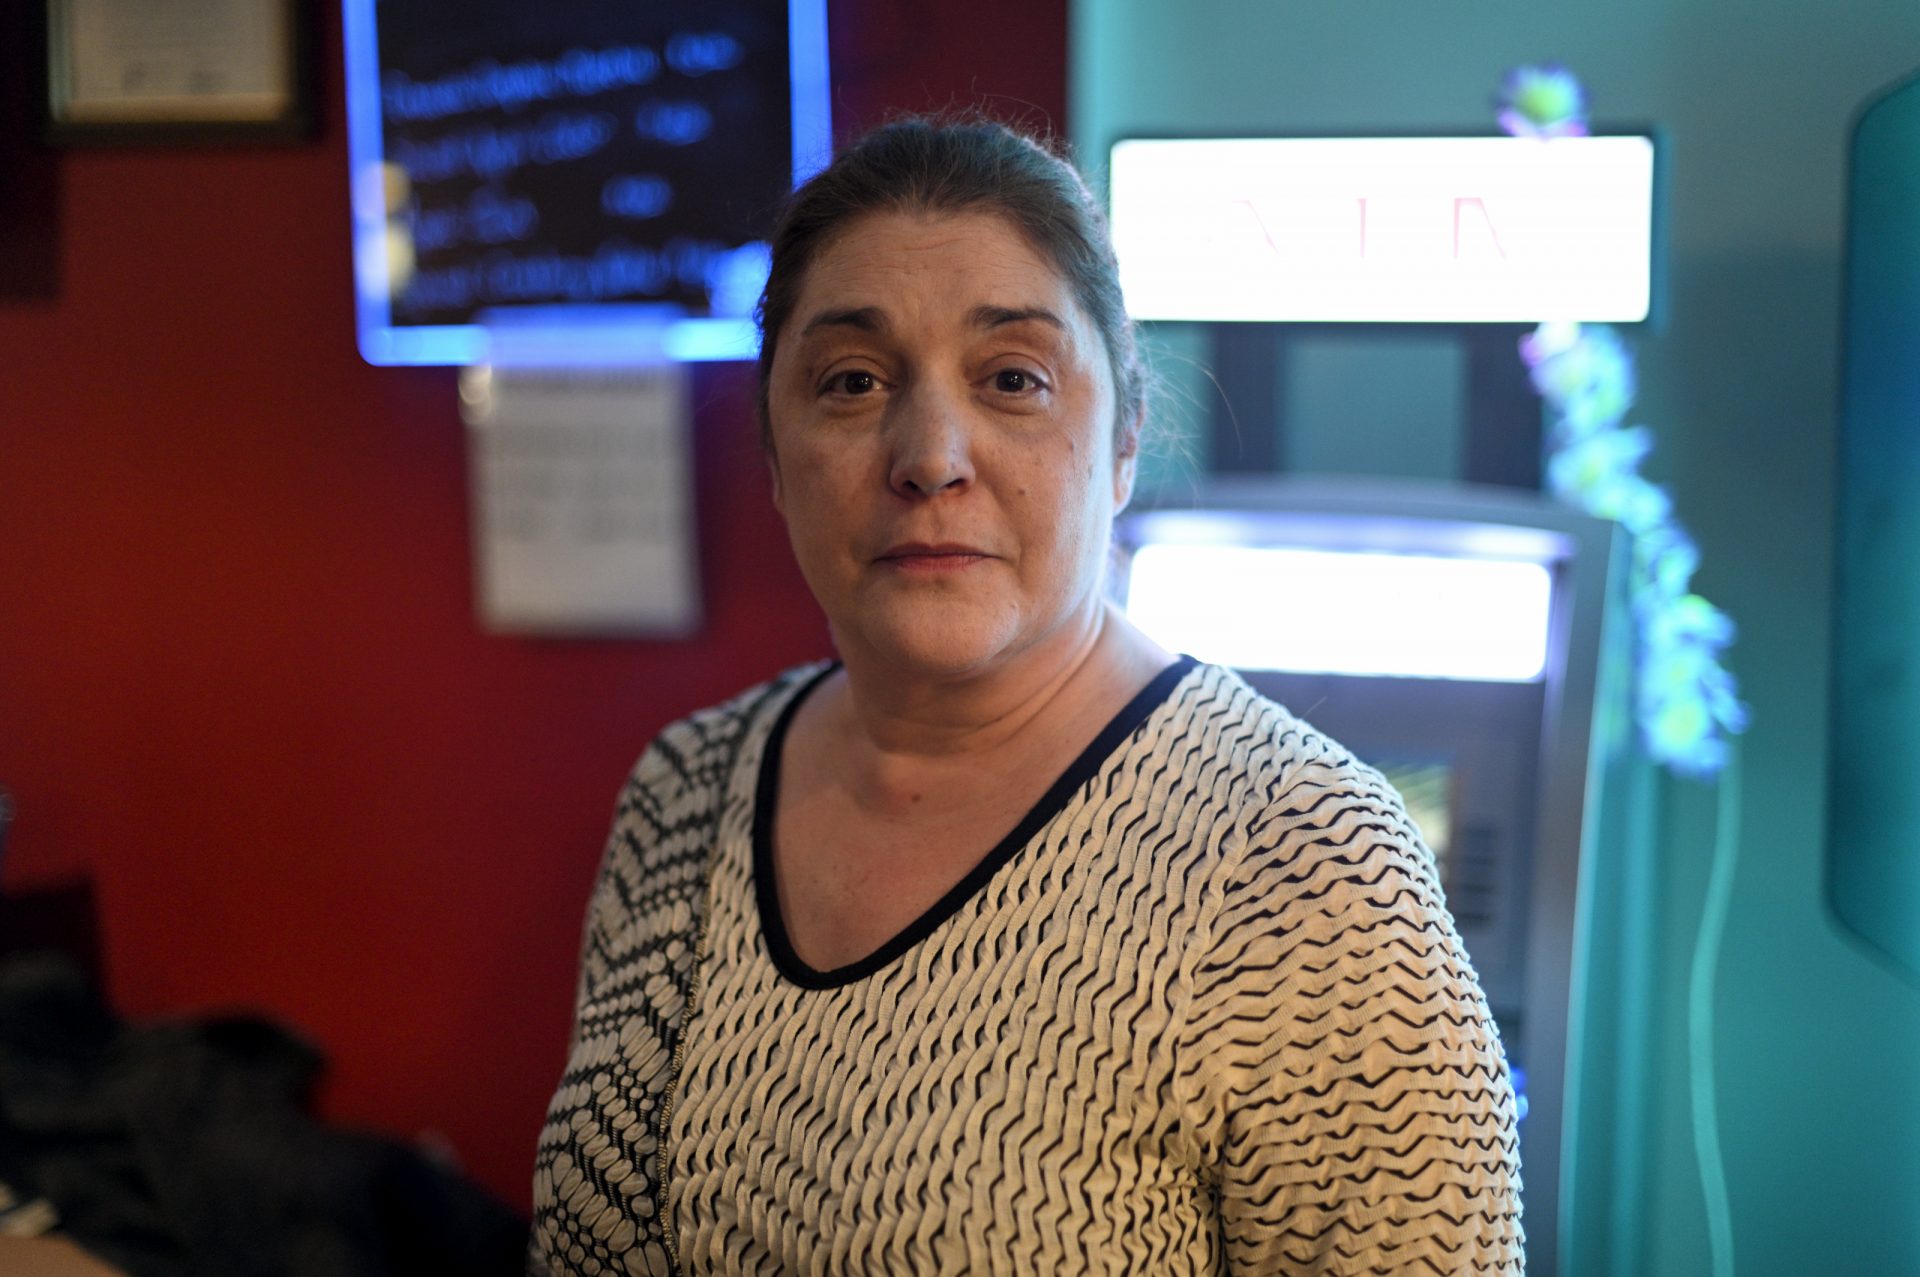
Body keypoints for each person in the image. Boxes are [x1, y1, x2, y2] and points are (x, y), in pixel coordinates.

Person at [531, 115, 1523, 1276]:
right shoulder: (686, 787)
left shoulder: (1308, 870)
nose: (931, 453)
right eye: (850, 381)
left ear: (1122, 443)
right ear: (773, 451)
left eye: (1014, 378)